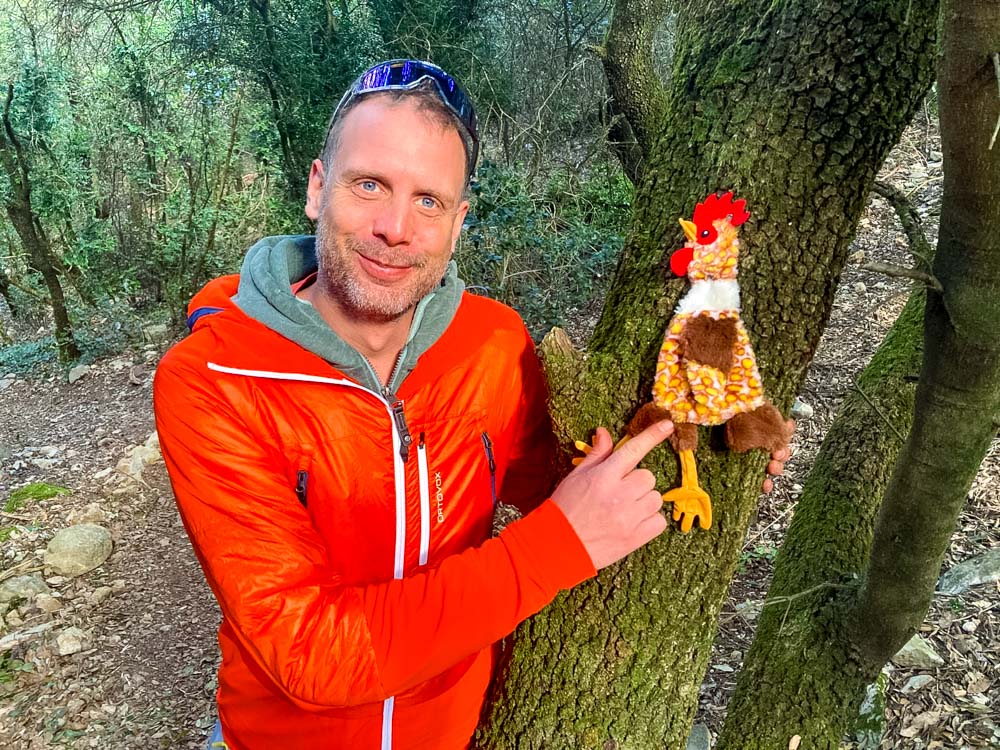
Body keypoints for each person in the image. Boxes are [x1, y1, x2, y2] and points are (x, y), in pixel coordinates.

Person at [153, 59, 790, 750]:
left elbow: (564, 482)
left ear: (458, 223)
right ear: (317, 188)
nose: (396, 227)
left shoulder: (494, 344)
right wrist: (551, 549)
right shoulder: (216, 377)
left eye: (429, 201)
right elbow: (309, 650)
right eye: (369, 184)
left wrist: (723, 438)